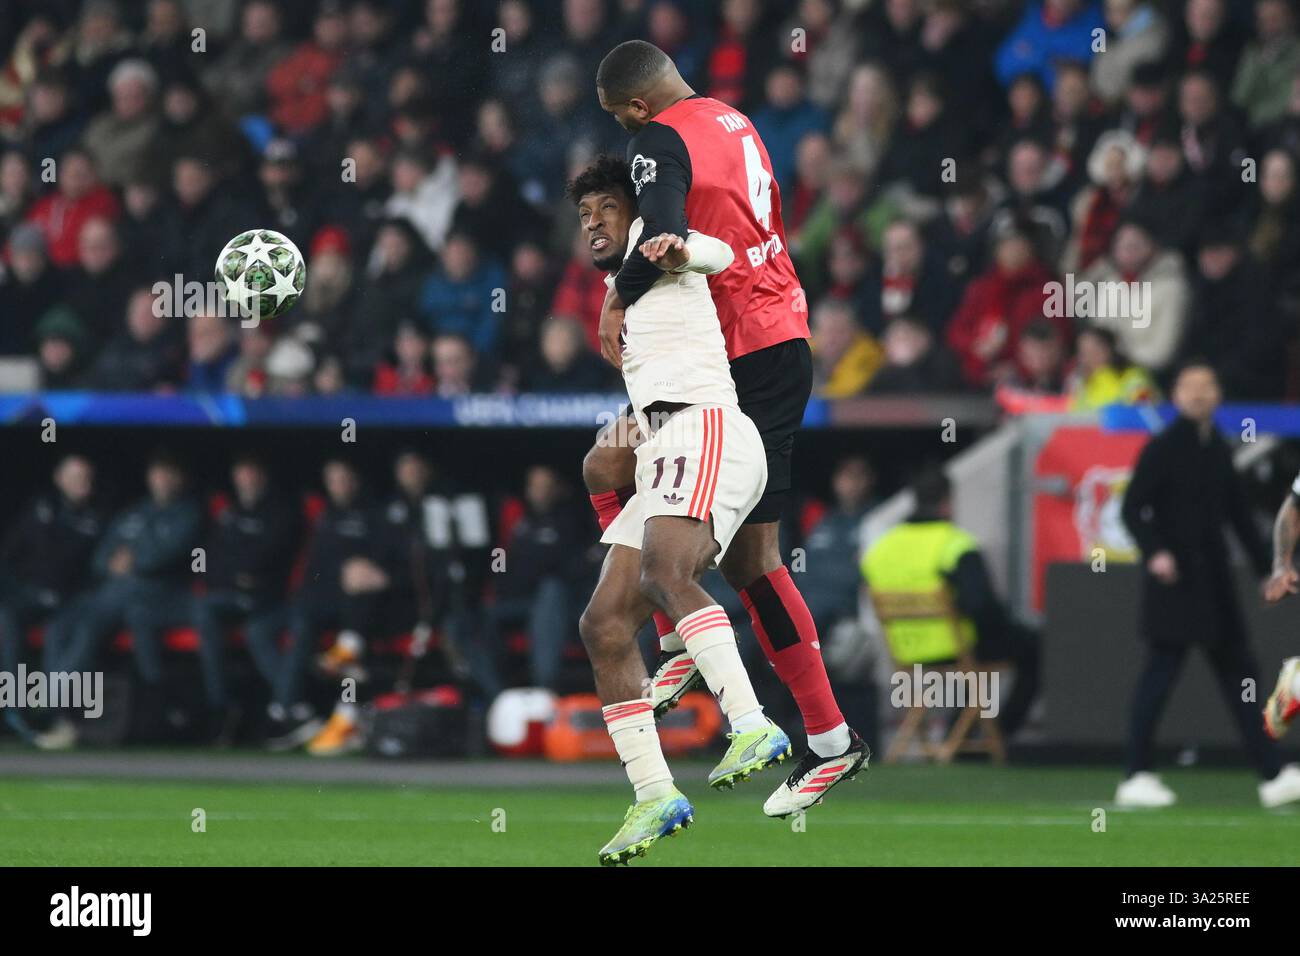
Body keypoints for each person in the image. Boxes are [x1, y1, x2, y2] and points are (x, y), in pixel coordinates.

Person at [586, 42, 866, 822]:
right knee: (614, 466)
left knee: (750, 556)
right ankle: (690, 648)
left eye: (620, 121)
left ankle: (824, 738)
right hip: (767, 334)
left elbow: (667, 232)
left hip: (745, 347)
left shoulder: (656, 139)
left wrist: (618, 299)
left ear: (635, 109)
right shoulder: (732, 119)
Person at [568, 155, 800, 866]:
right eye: (584, 218)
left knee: (667, 572)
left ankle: (753, 722)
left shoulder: (661, 251)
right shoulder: (618, 287)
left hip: (708, 428)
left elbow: (720, 252)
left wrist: (680, 244)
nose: (595, 224)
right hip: (670, 436)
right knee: (603, 625)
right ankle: (653, 792)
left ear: (635, 212)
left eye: (606, 208)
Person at [1117, 361, 1300, 808]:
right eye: (1188, 387)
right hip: (1175, 585)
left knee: (1242, 677)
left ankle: (1272, 774)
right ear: (1175, 396)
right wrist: (1155, 552)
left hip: (1214, 585)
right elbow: (1131, 509)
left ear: (1218, 395)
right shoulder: (1161, 448)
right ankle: (1136, 774)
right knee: (1159, 677)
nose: (1198, 394)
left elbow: (1239, 518)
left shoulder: (1216, 448)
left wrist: (1271, 569)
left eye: (1206, 386)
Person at [862, 468, 1041, 741]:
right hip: (954, 646)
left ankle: (959, 733)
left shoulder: (880, 550)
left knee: (983, 649)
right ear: (947, 501)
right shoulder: (955, 545)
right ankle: (999, 735)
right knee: (1033, 645)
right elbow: (982, 607)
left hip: (904, 650)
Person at [40, 451, 201, 748]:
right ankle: (53, 706)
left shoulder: (188, 513)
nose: (162, 479)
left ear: (181, 478)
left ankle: (52, 708)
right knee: (59, 626)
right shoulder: (134, 512)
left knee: (88, 629)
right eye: (158, 472)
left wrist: (136, 562)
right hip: (108, 592)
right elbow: (101, 557)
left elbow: (170, 554)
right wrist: (113, 564)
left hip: (153, 595)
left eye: (169, 473)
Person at [192, 454, 299, 741]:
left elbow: (265, 559)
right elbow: (208, 559)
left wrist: (237, 567)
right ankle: (221, 706)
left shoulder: (281, 512)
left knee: (257, 632)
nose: (247, 480)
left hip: (270, 601)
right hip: (230, 595)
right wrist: (233, 572)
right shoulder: (229, 513)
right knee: (203, 612)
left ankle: (293, 705)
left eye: (252, 473)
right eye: (242, 473)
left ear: (263, 477)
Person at [0, 455, 104, 742]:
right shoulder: (39, 507)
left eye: (85, 478)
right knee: (5, 619)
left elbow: (84, 566)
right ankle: (14, 707)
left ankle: (51, 710)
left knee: (61, 632)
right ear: (59, 478)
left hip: (69, 601)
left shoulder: (95, 519)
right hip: (28, 596)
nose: (80, 483)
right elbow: (11, 550)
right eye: (73, 476)